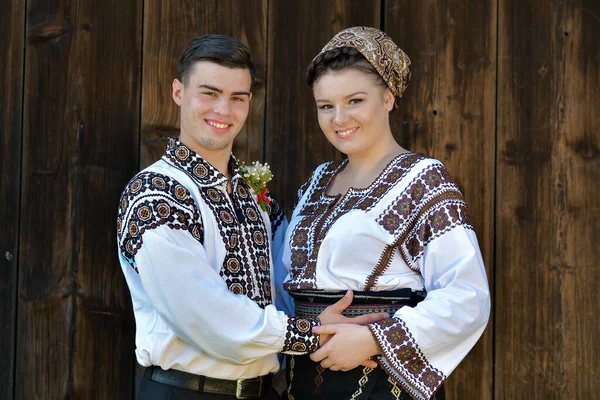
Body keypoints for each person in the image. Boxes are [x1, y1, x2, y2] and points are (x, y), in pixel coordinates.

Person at [116, 34, 386, 400]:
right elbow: (205, 315)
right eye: (209, 93)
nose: (223, 110)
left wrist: (366, 327)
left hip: (263, 391)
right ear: (178, 92)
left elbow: (291, 280)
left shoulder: (256, 197)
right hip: (188, 391)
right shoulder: (155, 194)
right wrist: (309, 332)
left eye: (237, 98)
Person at [281, 26, 491, 400]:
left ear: (389, 99)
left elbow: (467, 296)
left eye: (355, 100)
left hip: (379, 381)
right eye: (326, 106)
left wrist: (373, 338)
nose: (339, 118)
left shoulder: (423, 180)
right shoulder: (316, 181)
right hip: (304, 377)